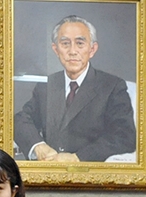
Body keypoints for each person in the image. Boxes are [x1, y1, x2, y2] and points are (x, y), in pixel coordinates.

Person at [14, 15, 136, 162]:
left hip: (92, 175)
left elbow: (124, 137)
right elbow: (21, 120)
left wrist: (78, 158)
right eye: (65, 43)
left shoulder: (112, 86)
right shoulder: (46, 85)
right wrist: (38, 146)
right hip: (50, 173)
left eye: (79, 43)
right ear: (56, 49)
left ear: (92, 49)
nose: (72, 51)